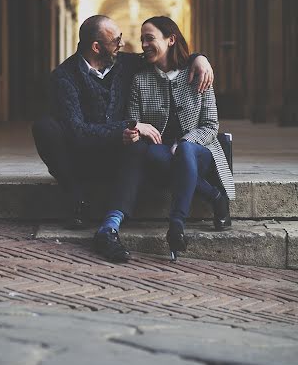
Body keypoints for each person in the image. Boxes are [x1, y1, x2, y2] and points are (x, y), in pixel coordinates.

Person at [32, 15, 214, 233]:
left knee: (141, 146)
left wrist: (199, 58)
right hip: (80, 159)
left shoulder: (124, 63)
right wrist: (127, 127)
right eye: (116, 41)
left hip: (119, 155)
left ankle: (114, 218)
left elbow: (164, 52)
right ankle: (76, 197)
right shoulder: (64, 77)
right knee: (44, 127)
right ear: (97, 47)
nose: (122, 44)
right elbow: (77, 133)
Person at [93, 16, 235, 263]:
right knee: (151, 154)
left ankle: (176, 222)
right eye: (142, 40)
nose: (144, 44)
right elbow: (133, 119)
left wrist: (185, 142)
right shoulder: (140, 79)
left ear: (171, 40)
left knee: (185, 150)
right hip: (161, 152)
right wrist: (135, 130)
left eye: (150, 38)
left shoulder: (199, 73)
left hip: (200, 149)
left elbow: (211, 126)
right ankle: (214, 197)